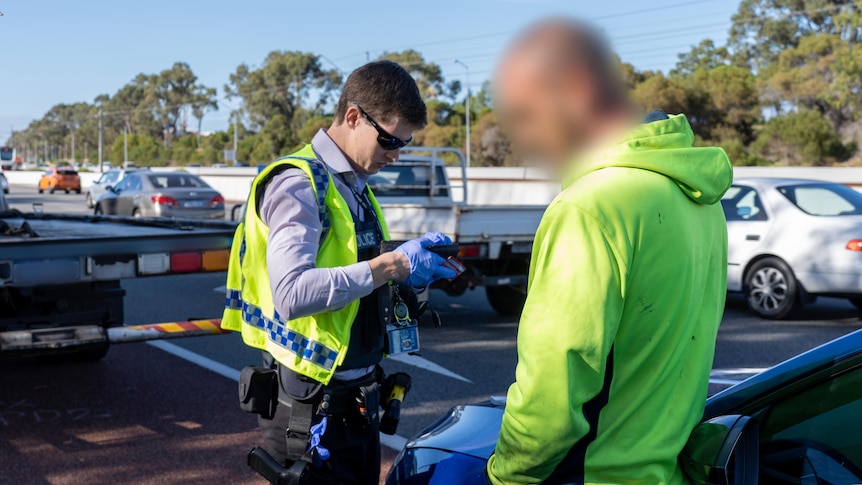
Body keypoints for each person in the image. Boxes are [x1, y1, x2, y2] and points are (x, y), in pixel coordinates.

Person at [486, 19, 733, 485]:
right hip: (667, 470)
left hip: (596, 474)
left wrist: (506, 475)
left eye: (528, 115)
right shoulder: (699, 199)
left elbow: (554, 389)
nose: (527, 140)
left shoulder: (590, 206)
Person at [222, 60, 455, 484]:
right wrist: (392, 264)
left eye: (404, 143)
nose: (395, 154)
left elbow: (358, 277)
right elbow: (291, 294)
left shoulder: (354, 186)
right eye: (389, 140)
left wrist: (407, 278)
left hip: (355, 395)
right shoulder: (298, 184)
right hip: (309, 405)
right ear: (353, 117)